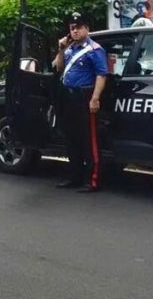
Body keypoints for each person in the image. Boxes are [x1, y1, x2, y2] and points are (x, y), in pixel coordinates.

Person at [53, 12, 108, 193]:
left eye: (78, 27)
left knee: (88, 140)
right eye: (72, 28)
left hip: (85, 96)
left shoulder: (94, 49)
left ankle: (92, 180)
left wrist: (95, 98)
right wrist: (60, 48)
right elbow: (58, 67)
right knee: (72, 139)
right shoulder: (69, 49)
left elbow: (101, 75)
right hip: (69, 97)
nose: (75, 31)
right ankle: (74, 177)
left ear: (86, 29)